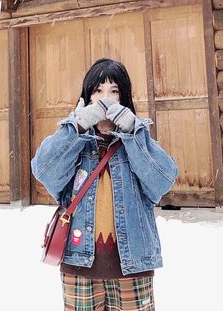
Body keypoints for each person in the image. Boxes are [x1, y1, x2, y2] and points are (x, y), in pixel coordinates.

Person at [31, 57, 179, 311]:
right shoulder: (74, 141)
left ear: (124, 98)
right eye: (97, 91)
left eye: (114, 91)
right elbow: (43, 169)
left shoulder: (136, 140)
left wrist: (133, 130)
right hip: (78, 264)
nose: (105, 98)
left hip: (132, 265)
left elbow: (163, 179)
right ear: (87, 98)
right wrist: (76, 126)